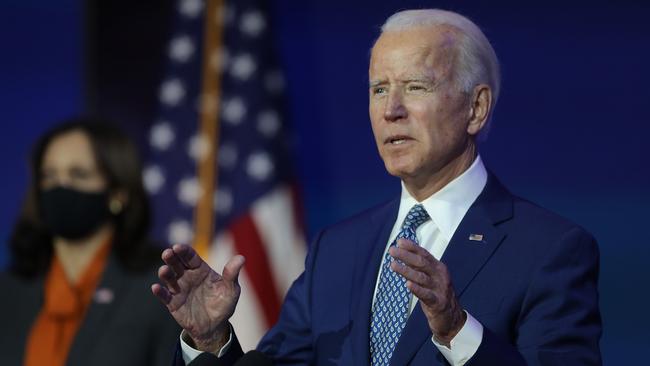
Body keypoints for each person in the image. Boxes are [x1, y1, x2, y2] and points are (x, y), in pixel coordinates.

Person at [152, 9, 602, 366]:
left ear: (476, 108)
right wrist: (210, 341)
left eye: (415, 86)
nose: (392, 110)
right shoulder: (338, 249)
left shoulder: (549, 249)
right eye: (379, 89)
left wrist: (457, 332)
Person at [0, 119, 180, 366]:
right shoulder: (10, 288)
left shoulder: (160, 288)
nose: (60, 187)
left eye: (79, 175)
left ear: (118, 193)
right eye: (49, 176)